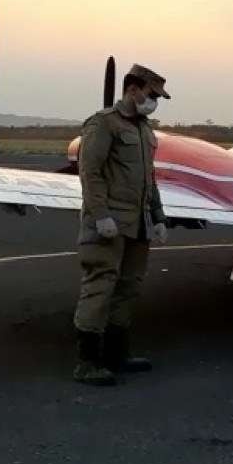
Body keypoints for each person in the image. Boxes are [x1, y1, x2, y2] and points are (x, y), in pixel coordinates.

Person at [72, 64, 171, 386]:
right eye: (152, 94)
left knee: (129, 286)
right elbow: (91, 173)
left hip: (138, 223)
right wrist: (100, 216)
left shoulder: (144, 129)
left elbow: (149, 178)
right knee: (101, 284)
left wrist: (158, 217)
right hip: (109, 222)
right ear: (133, 89)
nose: (154, 100)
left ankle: (116, 354)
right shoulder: (103, 124)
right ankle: (87, 361)